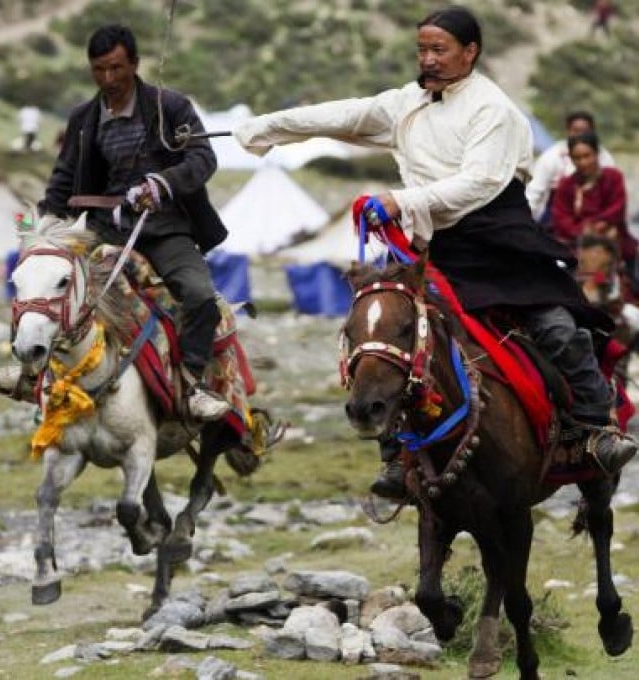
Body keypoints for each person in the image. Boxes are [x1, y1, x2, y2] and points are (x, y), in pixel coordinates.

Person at [234, 5, 637, 494]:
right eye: (422, 50)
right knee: (386, 337)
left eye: (439, 50)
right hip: (436, 248)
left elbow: (478, 183)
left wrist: (399, 201)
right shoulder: (406, 103)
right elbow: (342, 114)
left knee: (557, 328)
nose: (428, 59)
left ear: (471, 52)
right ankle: (395, 457)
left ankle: (598, 431)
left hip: (499, 243)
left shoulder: (495, 109)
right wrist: (260, 130)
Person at [0, 24, 231, 421]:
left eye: (115, 68)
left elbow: (202, 159)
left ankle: (192, 384)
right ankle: (30, 376)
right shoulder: (83, 118)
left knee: (198, 295)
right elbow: (63, 179)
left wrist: (163, 183)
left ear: (134, 64)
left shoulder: (172, 107)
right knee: (46, 287)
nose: (108, 79)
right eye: (98, 70)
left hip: (164, 231)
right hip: (103, 232)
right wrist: (42, 228)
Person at [550, 132, 634, 268]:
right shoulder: (566, 184)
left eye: (587, 156)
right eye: (577, 158)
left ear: (596, 154)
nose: (583, 162)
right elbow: (560, 216)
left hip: (611, 239)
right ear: (571, 159)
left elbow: (617, 207)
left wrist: (597, 225)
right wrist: (582, 230)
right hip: (575, 242)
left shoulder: (613, 177)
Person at [525, 111, 616, 223]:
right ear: (568, 131)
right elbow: (534, 192)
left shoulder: (605, 159)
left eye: (585, 131)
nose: (580, 135)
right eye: (576, 130)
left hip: (596, 216)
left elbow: (613, 196)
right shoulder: (551, 157)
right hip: (557, 215)